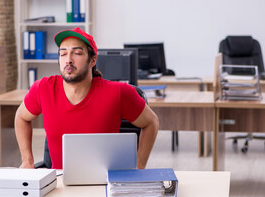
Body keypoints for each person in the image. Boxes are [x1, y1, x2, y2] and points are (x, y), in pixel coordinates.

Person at [15, 27, 159, 170]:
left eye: (77, 53)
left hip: (104, 183)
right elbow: (21, 117)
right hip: (59, 184)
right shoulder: (43, 88)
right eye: (63, 53)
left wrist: (139, 167)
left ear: (92, 60)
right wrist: (27, 160)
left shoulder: (119, 92)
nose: (68, 60)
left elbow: (151, 122)